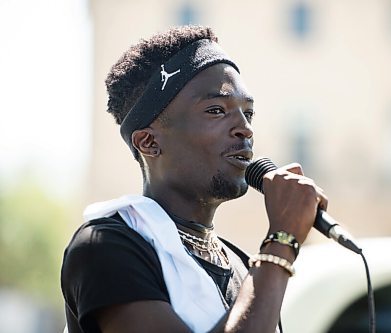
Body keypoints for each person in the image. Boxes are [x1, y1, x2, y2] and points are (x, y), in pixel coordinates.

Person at [61, 25, 328, 333]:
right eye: (216, 110)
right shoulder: (105, 246)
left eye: (248, 114)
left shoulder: (241, 264)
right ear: (148, 142)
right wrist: (281, 242)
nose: (245, 129)